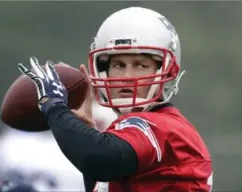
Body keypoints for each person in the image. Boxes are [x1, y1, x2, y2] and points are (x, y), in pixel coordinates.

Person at [17, 6, 213, 192]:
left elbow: (99, 158)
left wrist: (54, 106)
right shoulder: (125, 134)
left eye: (141, 65)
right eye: (118, 65)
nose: (127, 76)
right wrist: (87, 133)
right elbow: (100, 163)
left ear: (166, 70)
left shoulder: (165, 127)